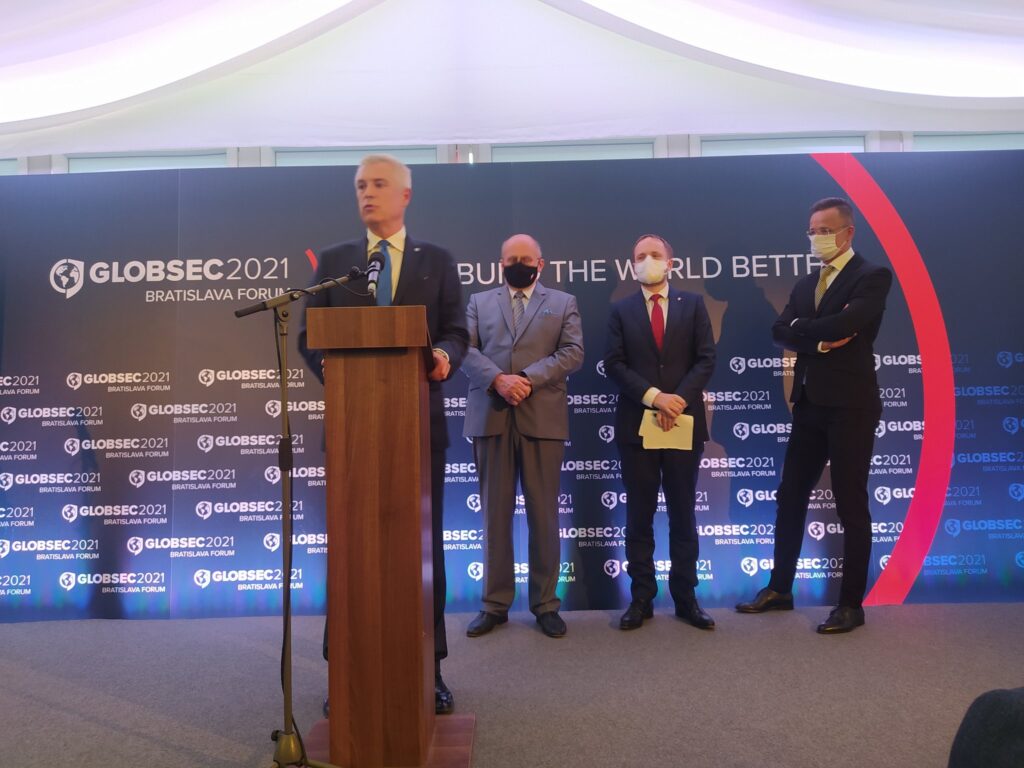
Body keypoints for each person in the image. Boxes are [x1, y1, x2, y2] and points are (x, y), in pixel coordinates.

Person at [298, 154, 469, 713]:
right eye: (359, 186)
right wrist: (334, 371)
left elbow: (456, 331)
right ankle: (345, 672)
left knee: (423, 551)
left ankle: (430, 669)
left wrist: (444, 356)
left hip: (419, 429)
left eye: (377, 184)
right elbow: (308, 336)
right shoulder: (336, 262)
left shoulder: (437, 261)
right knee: (351, 552)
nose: (366, 193)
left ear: (405, 196)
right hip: (352, 431)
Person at [735, 196, 892, 634]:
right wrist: (817, 339)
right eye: (812, 231)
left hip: (851, 406)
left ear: (848, 232)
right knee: (790, 496)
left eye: (825, 230)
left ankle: (851, 605)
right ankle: (780, 588)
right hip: (808, 404)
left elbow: (847, 325)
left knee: (850, 502)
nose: (817, 238)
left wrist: (802, 329)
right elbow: (778, 332)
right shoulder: (806, 284)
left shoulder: (872, 276)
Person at [461, 234, 584, 638]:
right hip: (491, 416)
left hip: (542, 419)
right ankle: (494, 605)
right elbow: (464, 349)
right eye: (511, 258)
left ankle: (545, 604)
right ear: (500, 264)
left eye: (526, 259)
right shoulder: (479, 301)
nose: (519, 264)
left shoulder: (563, 302)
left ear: (540, 264)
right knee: (494, 516)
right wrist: (498, 380)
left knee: (544, 516)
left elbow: (573, 352)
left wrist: (527, 379)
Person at [603, 234, 717, 631]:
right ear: (632, 264)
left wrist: (677, 400)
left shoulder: (694, 304)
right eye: (640, 256)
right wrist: (655, 398)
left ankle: (686, 599)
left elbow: (706, 359)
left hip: (683, 423)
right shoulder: (620, 311)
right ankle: (641, 599)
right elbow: (614, 364)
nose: (647, 260)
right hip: (637, 426)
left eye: (654, 255)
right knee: (639, 515)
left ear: (670, 263)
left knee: (683, 514)